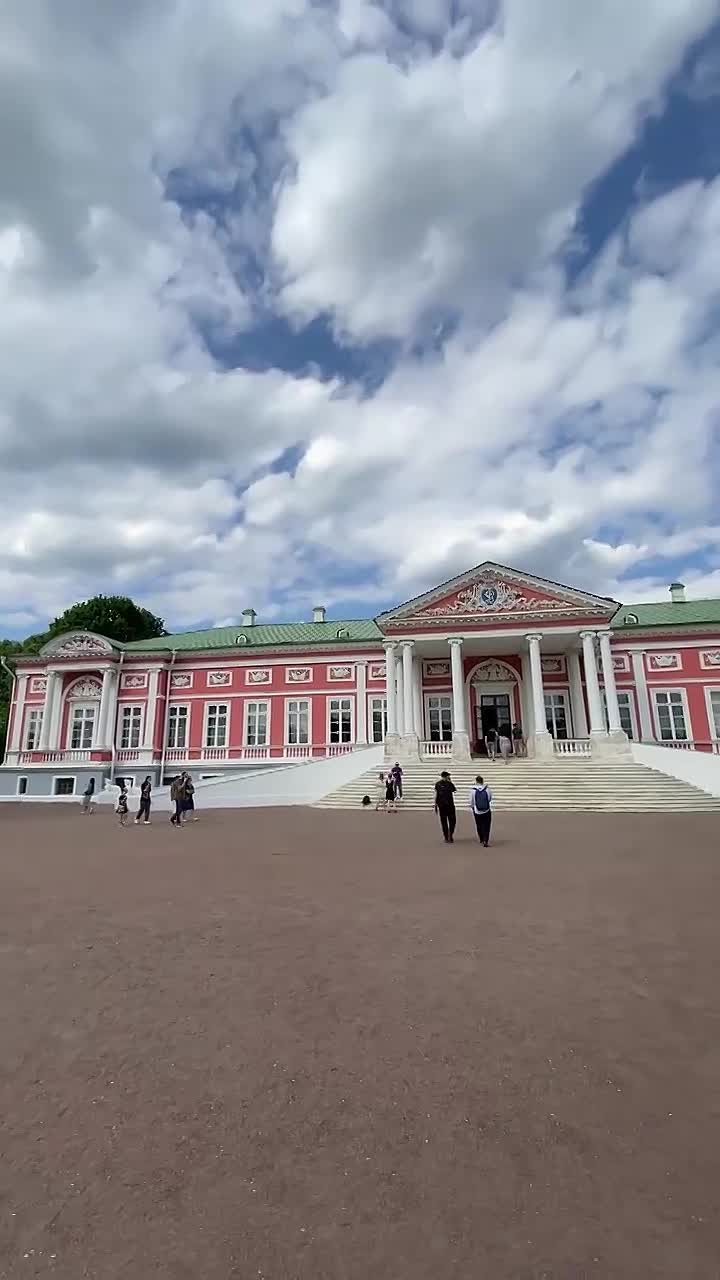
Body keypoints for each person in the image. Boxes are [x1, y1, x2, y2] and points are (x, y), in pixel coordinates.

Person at [469, 774, 493, 846]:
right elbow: (489, 799)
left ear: (476, 781)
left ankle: (481, 838)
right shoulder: (487, 789)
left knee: (479, 824)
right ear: (482, 781)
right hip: (486, 810)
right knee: (487, 825)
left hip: (477, 811)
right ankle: (486, 840)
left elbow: (471, 801)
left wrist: (473, 807)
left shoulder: (473, 790)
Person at [434, 770, 457, 843]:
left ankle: (446, 837)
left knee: (443, 822)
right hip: (450, 805)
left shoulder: (437, 784)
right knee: (452, 821)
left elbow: (436, 794)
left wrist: (435, 804)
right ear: (446, 776)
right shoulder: (449, 784)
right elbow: (454, 790)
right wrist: (450, 781)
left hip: (441, 805)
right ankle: (450, 835)